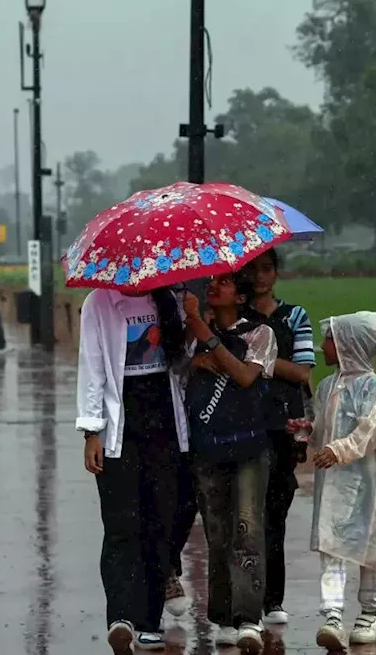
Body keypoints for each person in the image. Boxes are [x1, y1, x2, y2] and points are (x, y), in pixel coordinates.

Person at [77, 285, 189, 652]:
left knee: (160, 523)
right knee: (122, 524)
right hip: (119, 427)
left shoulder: (169, 299)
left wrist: (191, 317)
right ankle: (121, 616)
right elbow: (91, 365)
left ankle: (149, 619)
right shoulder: (99, 302)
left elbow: (183, 363)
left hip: (165, 426)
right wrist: (91, 430)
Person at [288, 311, 376, 649]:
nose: (323, 347)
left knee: (370, 544)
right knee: (331, 544)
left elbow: (369, 429)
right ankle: (333, 615)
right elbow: (322, 425)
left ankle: (370, 612)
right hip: (335, 483)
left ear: (347, 345)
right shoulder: (327, 386)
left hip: (369, 481)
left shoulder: (373, 387)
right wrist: (306, 430)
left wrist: (339, 450)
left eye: (329, 340)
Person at [183, 271, 277, 654]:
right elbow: (176, 371)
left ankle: (249, 617)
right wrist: (194, 358)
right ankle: (222, 615)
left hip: (250, 449)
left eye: (224, 282)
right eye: (213, 281)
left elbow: (243, 376)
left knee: (248, 530)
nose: (214, 285)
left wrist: (206, 335)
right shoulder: (190, 336)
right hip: (208, 448)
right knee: (217, 534)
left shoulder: (260, 334)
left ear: (240, 296)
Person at [243, 248, 315, 625]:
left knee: (276, 514)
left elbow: (303, 373)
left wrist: (259, 361)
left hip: (284, 425)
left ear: (277, 273)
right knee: (245, 516)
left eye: (267, 269)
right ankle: (246, 600)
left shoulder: (295, 316)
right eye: (252, 269)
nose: (259, 277)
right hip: (244, 423)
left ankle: (274, 599)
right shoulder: (236, 318)